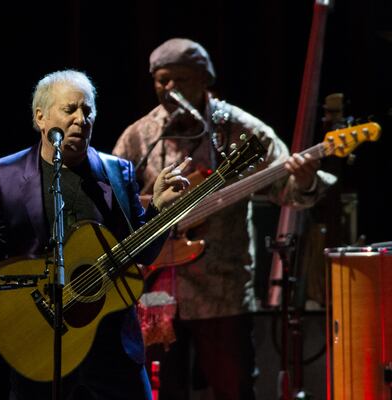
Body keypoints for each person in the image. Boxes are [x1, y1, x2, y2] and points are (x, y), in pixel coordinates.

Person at [0, 69, 192, 400]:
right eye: (70, 110)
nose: (81, 119)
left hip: (111, 342)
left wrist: (160, 211)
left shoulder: (117, 172)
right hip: (41, 340)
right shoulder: (5, 175)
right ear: (41, 117)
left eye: (87, 110)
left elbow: (141, 254)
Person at [112, 38, 336, 400]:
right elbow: (115, 203)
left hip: (222, 291)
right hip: (155, 293)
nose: (169, 89)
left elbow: (286, 188)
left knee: (233, 388)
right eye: (161, 80)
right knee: (159, 390)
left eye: (180, 80)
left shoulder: (238, 128)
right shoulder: (140, 135)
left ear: (204, 80)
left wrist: (305, 177)